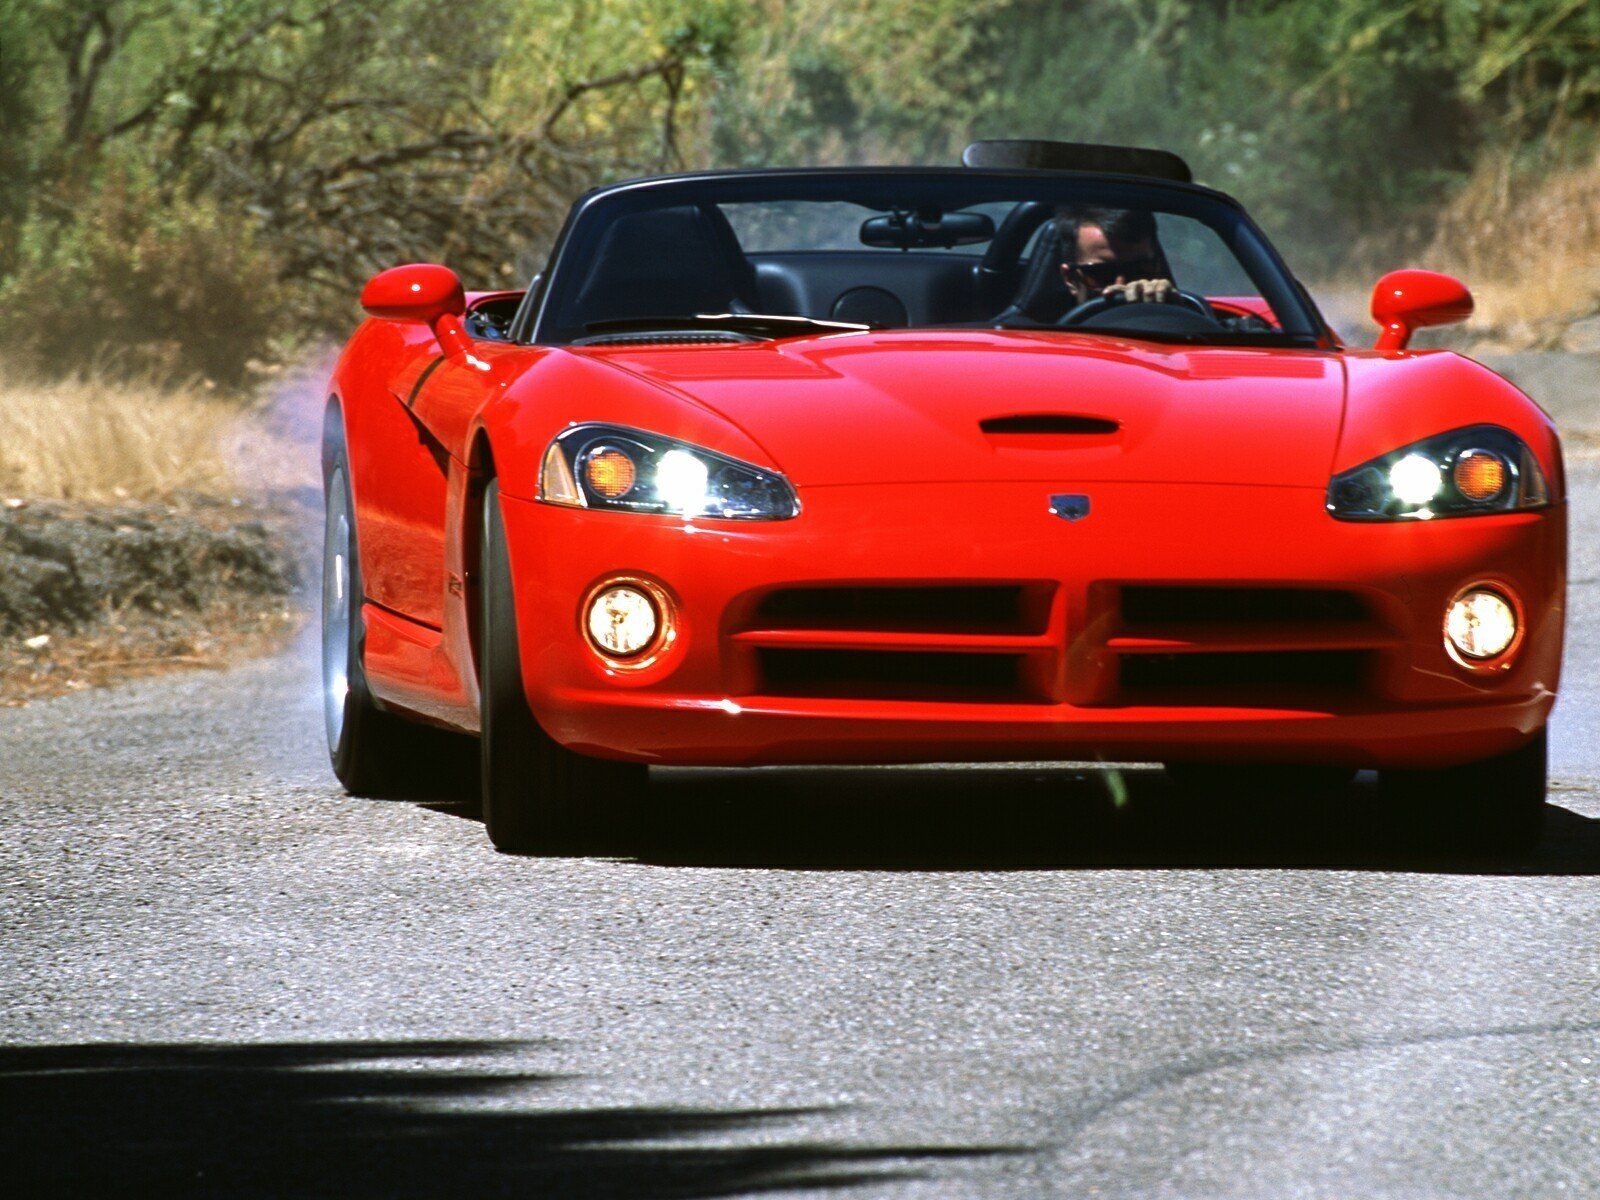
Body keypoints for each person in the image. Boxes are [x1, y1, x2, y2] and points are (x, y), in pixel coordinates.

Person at [999, 205, 1177, 325]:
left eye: (1139, 270)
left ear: (1156, 268)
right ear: (1070, 279)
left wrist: (1169, 308)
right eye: (1100, 274)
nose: (1120, 286)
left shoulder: (1184, 327)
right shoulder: (1032, 343)